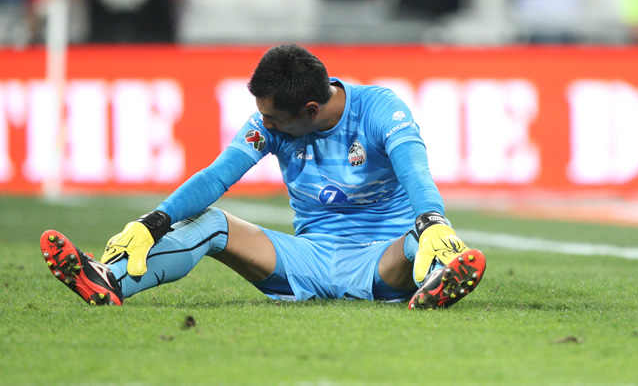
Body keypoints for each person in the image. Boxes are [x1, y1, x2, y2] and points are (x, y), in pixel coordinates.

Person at [40, 44, 487, 309]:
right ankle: (110, 280)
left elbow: (414, 169)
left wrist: (432, 220)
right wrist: (152, 222)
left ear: (310, 111)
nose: (264, 126)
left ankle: (436, 279)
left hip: (381, 261)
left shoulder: (379, 109)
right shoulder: (270, 123)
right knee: (212, 222)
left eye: (273, 119)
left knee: (421, 238)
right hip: (305, 260)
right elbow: (216, 177)